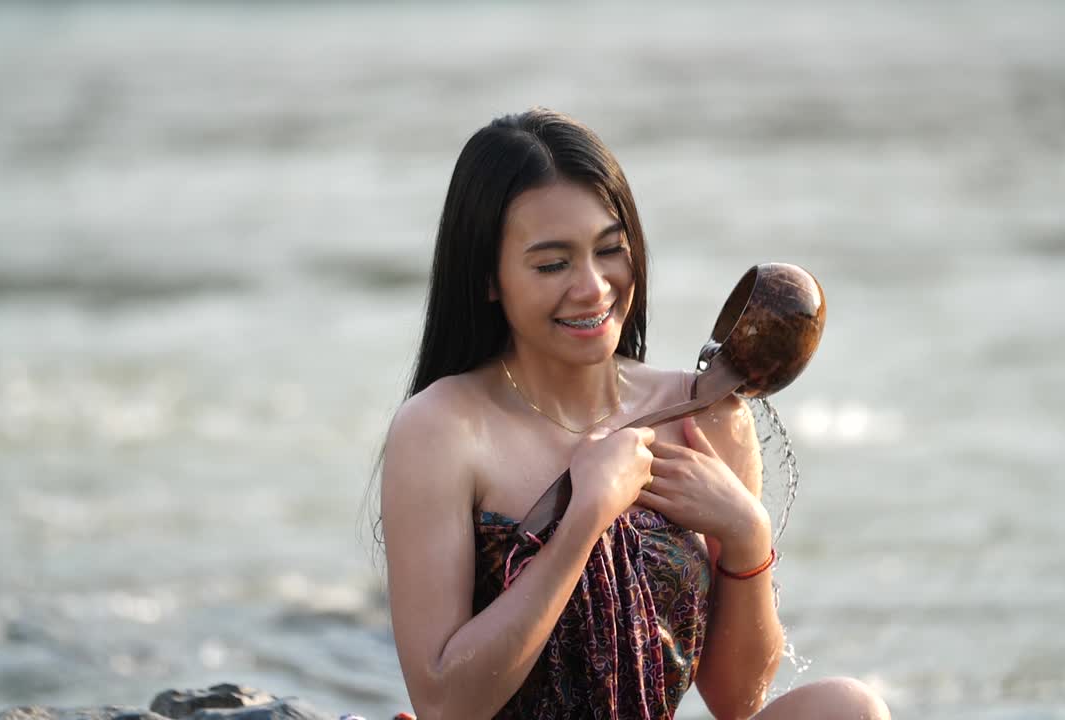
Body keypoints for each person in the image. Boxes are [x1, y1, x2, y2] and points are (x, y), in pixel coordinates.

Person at [379, 108, 890, 720]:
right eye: (552, 264)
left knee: (849, 707)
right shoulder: (440, 429)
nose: (594, 287)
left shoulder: (705, 416)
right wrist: (586, 517)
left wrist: (746, 536)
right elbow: (443, 704)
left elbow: (734, 699)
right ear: (489, 278)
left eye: (610, 251)